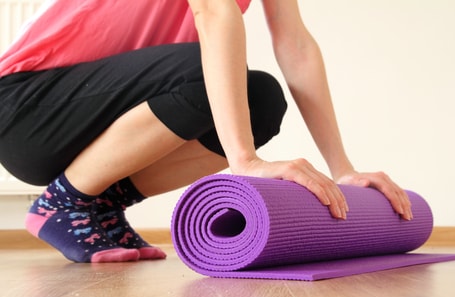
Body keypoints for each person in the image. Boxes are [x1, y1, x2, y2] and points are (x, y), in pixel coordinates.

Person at [0, 0, 412, 263]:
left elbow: (296, 45)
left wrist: (343, 169)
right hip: (26, 111)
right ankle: (65, 202)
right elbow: (213, 13)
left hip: (90, 122)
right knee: (211, 69)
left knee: (260, 100)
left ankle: (99, 202)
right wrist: (245, 161)